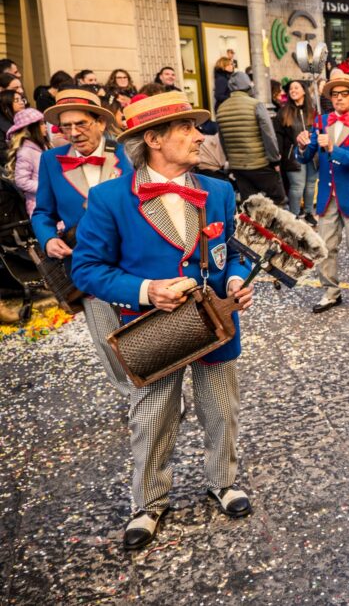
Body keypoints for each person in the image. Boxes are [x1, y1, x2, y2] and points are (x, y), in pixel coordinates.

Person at [70, 91, 255, 551]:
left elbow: (233, 252)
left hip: (214, 322)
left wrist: (235, 280)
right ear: (152, 139)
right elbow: (87, 270)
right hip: (152, 329)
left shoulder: (219, 191)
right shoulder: (110, 198)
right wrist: (145, 290)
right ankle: (149, 502)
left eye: (197, 127)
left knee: (222, 408)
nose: (199, 136)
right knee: (152, 415)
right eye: (187, 129)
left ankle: (223, 481)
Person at [31, 89, 133, 398]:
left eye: (81, 124)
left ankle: (159, 391)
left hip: (132, 262)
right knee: (106, 338)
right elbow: (42, 212)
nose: (73, 133)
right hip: (86, 266)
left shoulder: (127, 152)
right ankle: (132, 395)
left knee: (142, 332)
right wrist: (48, 238)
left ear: (101, 122)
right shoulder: (50, 161)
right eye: (66, 127)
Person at [299, 73, 349, 314]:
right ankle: (331, 292)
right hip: (327, 197)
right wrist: (302, 145)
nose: (339, 98)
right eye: (335, 94)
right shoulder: (321, 121)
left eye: (344, 94)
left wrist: (334, 149)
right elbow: (306, 155)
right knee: (325, 248)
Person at [217, 71, 286, 205]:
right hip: (260, 163)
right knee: (279, 200)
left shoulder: (221, 108)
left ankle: (254, 226)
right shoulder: (255, 104)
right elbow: (269, 134)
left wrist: (230, 160)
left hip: (238, 166)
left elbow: (222, 140)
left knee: (250, 204)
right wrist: (275, 160)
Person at [274, 79, 317, 218]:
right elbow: (278, 136)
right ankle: (294, 216)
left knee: (310, 185)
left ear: (304, 91)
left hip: (312, 153)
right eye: (291, 89)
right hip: (293, 154)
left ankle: (309, 213)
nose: (293, 91)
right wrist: (278, 155)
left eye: (296, 88)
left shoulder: (313, 111)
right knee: (297, 187)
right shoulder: (283, 112)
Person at [4, 108, 49, 214]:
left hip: (48, 200)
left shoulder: (43, 147)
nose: (45, 127)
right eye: (42, 124)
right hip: (39, 205)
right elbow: (22, 181)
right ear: (32, 128)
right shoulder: (25, 152)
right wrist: (46, 187)